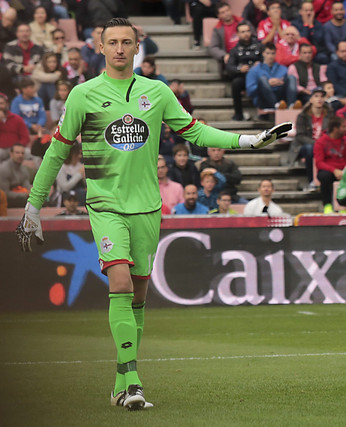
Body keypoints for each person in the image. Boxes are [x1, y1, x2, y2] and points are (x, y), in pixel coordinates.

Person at [15, 17, 290, 411]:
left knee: (139, 294)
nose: (120, 49)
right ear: (101, 47)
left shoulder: (156, 92)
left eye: (127, 42)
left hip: (147, 207)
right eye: (113, 42)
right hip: (105, 204)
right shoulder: (83, 95)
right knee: (122, 283)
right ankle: (133, 382)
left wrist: (249, 140)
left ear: (137, 45)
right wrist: (34, 204)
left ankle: (121, 379)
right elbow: (57, 152)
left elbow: (195, 131)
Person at [246, 42, 297, 120]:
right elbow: (250, 91)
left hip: (281, 98)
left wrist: (280, 83)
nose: (270, 56)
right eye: (268, 53)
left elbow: (287, 85)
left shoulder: (283, 68)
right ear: (263, 54)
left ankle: (291, 106)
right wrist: (267, 84)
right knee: (263, 80)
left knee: (291, 78)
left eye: (273, 53)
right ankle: (276, 105)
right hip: (263, 99)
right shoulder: (254, 70)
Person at [290, 87, 332, 183]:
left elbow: (331, 132)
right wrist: (316, 143)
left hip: (325, 144)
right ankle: (311, 181)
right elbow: (300, 136)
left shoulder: (330, 115)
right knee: (310, 148)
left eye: (322, 96)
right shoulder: (303, 116)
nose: (319, 99)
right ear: (311, 99)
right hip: (306, 145)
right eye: (316, 96)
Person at [314, 116, 346, 213]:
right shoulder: (321, 142)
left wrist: (344, 171)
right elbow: (319, 162)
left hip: (344, 170)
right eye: (343, 127)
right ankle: (327, 205)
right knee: (324, 176)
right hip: (329, 171)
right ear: (336, 129)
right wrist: (334, 170)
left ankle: (345, 206)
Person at [227, 22, 262, 121]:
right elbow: (230, 67)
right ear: (237, 34)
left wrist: (259, 64)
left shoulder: (259, 47)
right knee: (236, 83)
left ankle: (264, 113)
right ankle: (238, 113)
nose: (246, 34)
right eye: (242, 32)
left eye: (247, 31)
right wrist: (239, 69)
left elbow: (266, 59)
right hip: (244, 77)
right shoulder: (235, 50)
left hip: (258, 76)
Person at [209, 2, 249, 75]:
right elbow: (213, 47)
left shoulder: (243, 22)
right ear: (219, 16)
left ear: (231, 10)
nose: (226, 13)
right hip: (231, 59)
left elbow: (254, 37)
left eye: (227, 10)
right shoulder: (217, 29)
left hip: (248, 55)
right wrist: (224, 55)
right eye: (223, 12)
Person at [0, 92, 30, 160]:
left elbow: (25, 137)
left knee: (33, 155)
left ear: (7, 104)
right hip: (1, 149)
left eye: (1, 103)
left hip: (17, 148)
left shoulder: (17, 119)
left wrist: (18, 147)